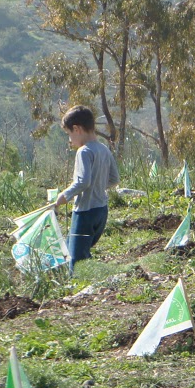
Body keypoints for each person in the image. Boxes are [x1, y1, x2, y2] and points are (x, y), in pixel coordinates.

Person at [51, 104, 119, 271]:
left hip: (85, 213)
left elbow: (82, 182)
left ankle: (79, 289)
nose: (69, 140)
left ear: (77, 129)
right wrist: (98, 186)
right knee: (76, 250)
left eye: (69, 134)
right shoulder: (103, 149)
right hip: (101, 211)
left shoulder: (84, 152)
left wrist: (64, 196)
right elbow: (114, 179)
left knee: (76, 260)